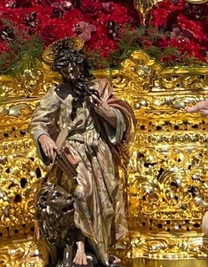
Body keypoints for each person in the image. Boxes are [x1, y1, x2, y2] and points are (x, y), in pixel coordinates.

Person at [29, 41, 134, 267]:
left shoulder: (99, 87)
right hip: (73, 151)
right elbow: (38, 122)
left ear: (81, 64)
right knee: (80, 193)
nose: (71, 73)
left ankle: (101, 250)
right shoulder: (56, 95)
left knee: (106, 200)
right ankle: (80, 246)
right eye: (65, 70)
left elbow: (122, 117)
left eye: (74, 67)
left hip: (99, 151)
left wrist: (107, 113)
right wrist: (44, 137)